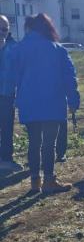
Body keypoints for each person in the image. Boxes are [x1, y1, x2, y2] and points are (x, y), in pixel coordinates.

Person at [4, 13, 79, 194]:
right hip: (53, 102)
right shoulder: (58, 49)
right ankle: (49, 180)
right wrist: (74, 99)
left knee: (34, 143)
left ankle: (35, 181)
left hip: (28, 102)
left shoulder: (19, 49)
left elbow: (10, 75)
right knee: (49, 144)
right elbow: (69, 77)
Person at [0, 14, 21, 173]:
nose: (2, 32)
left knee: (7, 128)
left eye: (4, 29)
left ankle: (6, 159)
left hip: (7, 94)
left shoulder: (14, 47)